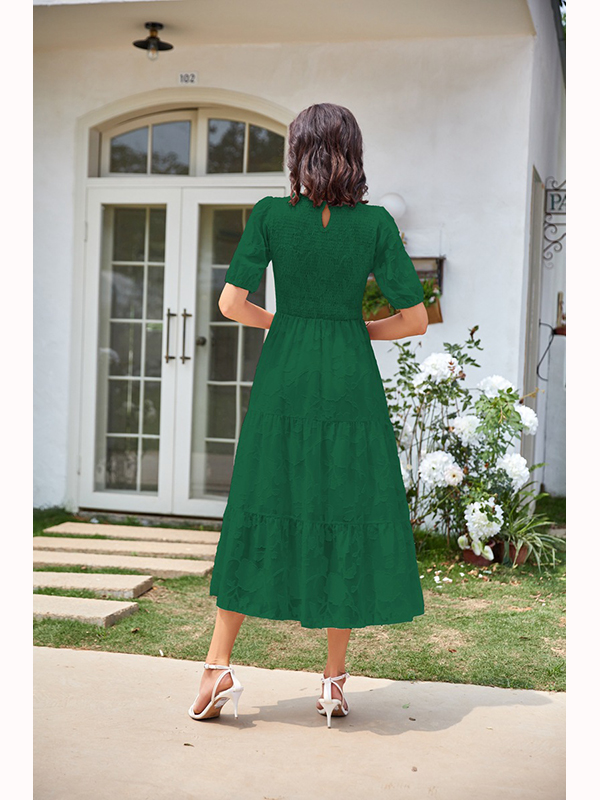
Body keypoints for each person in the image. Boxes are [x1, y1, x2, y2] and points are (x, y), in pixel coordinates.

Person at [189, 102, 428, 727]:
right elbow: (415, 319)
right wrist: (353, 329)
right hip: (350, 380)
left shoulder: (271, 215)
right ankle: (334, 682)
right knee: (342, 506)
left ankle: (217, 668)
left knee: (261, 500)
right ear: (353, 152)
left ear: (299, 152)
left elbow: (230, 304)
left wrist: (285, 322)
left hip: (285, 377)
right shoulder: (375, 224)